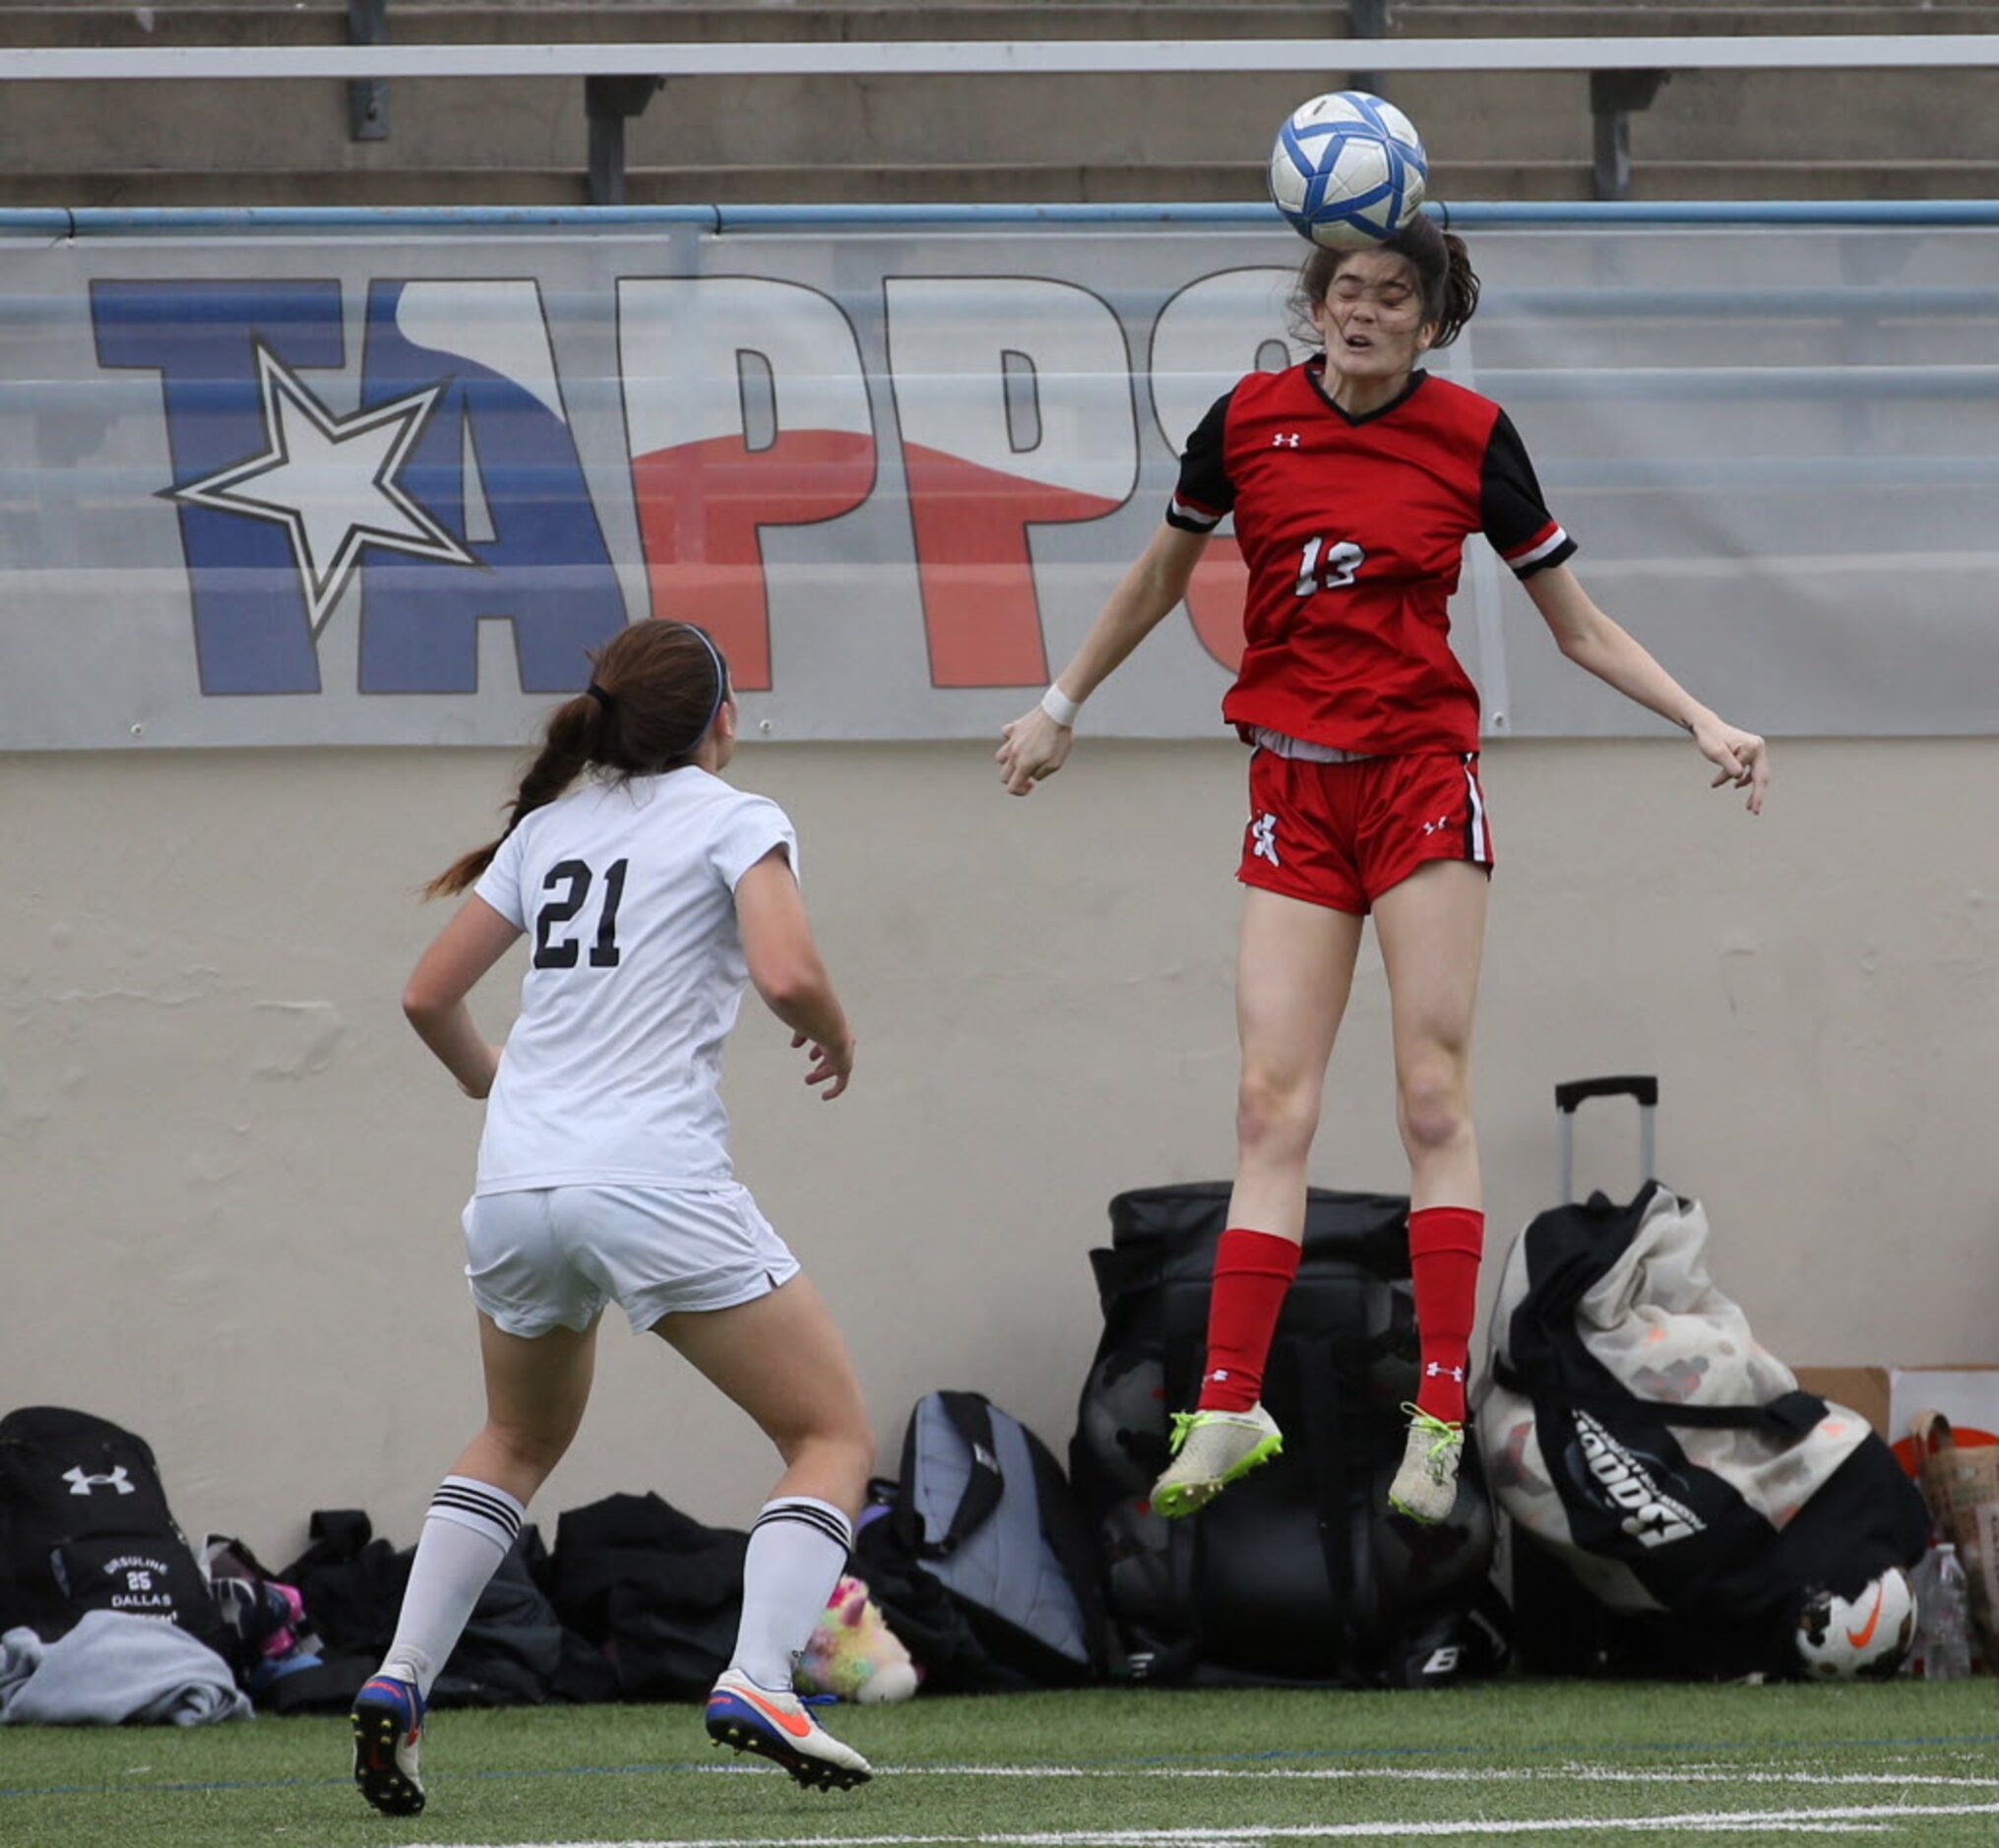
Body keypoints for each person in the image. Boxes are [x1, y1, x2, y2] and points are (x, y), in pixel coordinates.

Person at [998, 214, 1768, 1527]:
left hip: (1416, 777)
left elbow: (1571, 624)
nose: (1359, 310)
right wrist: (1060, 700)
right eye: (1343, 287)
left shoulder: (1468, 438)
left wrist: (1697, 716)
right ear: (1315, 303)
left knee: (1427, 1095)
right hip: (1290, 784)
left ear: (1429, 323)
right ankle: (1228, 1401)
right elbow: (1151, 577)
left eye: (1390, 295)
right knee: (1265, 1103)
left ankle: (1432, 1419)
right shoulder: (1244, 420)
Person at [350, 619, 877, 1816]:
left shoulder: (548, 829)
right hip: (652, 1183)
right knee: (832, 1436)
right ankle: (758, 1677)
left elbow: (427, 993)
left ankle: (398, 1679)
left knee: (515, 1442)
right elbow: (788, 975)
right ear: (721, 719)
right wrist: (838, 1035)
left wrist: (498, 1082)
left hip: (517, 1188)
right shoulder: (738, 817)